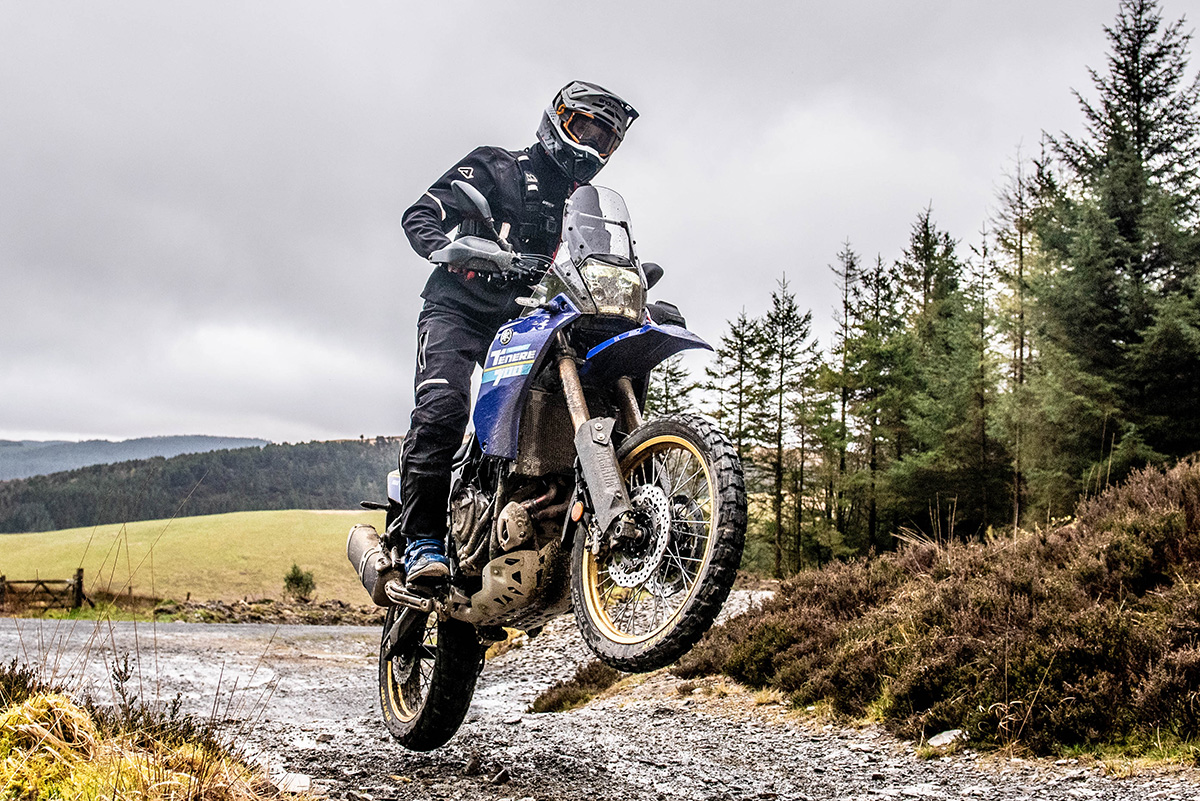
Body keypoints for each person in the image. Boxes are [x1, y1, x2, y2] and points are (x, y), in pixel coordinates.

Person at [395, 81, 639, 586]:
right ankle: (422, 540)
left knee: (599, 380)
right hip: (458, 309)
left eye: (605, 141)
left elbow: (591, 262)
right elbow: (420, 214)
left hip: (525, 322)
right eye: (584, 129)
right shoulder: (496, 166)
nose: (592, 147)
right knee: (442, 407)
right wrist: (461, 249)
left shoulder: (583, 207)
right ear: (557, 120)